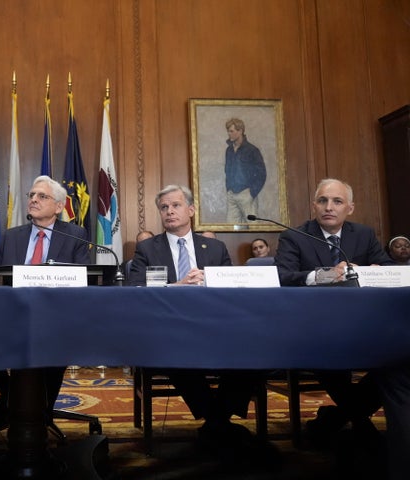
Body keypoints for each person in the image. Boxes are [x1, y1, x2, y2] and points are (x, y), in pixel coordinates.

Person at [128, 185, 276, 468]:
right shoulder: (148, 248)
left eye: (176, 205)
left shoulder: (215, 248)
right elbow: (135, 289)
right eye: (164, 207)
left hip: (216, 327)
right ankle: (219, 423)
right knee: (174, 352)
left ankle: (215, 422)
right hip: (170, 329)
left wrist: (211, 281)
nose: (169, 211)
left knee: (255, 351)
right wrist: (177, 285)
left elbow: (234, 289)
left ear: (191, 211)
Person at [274, 178, 393, 447]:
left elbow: (386, 267)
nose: (329, 207)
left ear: (349, 208)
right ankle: (361, 424)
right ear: (313, 205)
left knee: (397, 358)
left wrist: (377, 271)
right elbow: (282, 276)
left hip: (363, 325)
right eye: (323, 200)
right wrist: (325, 275)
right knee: (324, 351)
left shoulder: (363, 234)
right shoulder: (294, 235)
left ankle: (334, 418)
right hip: (313, 327)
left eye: (337, 201)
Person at [0, 175, 91, 435]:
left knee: (54, 337)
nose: (34, 200)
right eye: (31, 195)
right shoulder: (13, 237)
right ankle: (9, 395)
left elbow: (84, 279)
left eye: (42, 196)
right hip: (12, 313)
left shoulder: (75, 235)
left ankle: (39, 411)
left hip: (56, 316)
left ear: (59, 206)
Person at [225, 118, 266, 224]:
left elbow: (262, 174)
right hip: (232, 194)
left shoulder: (252, 150)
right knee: (231, 228)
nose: (229, 134)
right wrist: (229, 189)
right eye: (228, 131)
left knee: (252, 226)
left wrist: (252, 193)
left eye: (231, 131)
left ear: (240, 131)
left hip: (246, 194)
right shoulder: (229, 150)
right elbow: (227, 170)